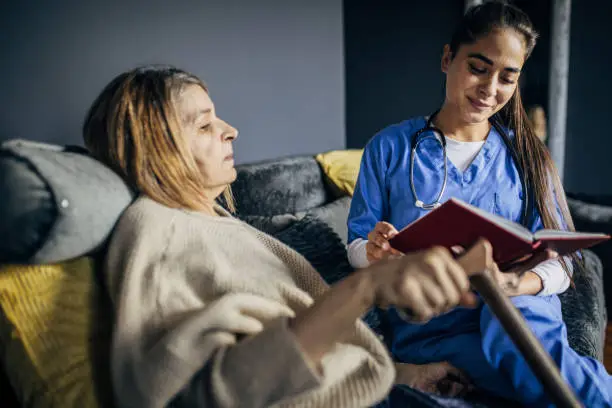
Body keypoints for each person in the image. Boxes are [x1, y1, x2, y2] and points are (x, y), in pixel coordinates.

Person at [82, 65, 487, 408]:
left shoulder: (217, 222)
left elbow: (304, 353)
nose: (231, 130)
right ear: (156, 147)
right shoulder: (156, 231)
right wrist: (365, 289)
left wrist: (403, 375)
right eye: (204, 125)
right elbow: (193, 394)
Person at [346, 2, 612, 407]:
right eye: (478, 68)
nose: (491, 89)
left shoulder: (528, 156)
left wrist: (514, 285)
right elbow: (356, 247)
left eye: (508, 77)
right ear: (447, 58)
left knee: (517, 324)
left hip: (522, 311)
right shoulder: (389, 148)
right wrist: (374, 252)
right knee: (538, 377)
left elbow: (561, 264)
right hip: (437, 330)